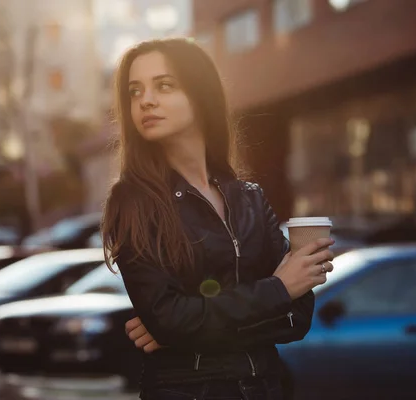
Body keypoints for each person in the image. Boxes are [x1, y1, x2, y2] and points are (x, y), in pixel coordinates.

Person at [101, 38, 334, 400]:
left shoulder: (250, 198)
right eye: (135, 91)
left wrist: (190, 327)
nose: (145, 100)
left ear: (201, 94)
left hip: (264, 388)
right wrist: (277, 288)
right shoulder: (133, 202)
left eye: (164, 85)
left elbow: (297, 318)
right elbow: (172, 321)